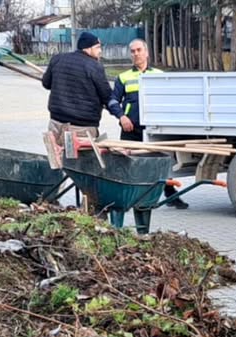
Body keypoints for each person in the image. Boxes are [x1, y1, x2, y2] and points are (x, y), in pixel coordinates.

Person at [109, 39, 188, 209]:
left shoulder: (159, 75)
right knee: (128, 163)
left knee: (162, 163)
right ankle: (128, 198)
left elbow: (169, 100)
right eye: (132, 51)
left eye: (138, 50)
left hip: (154, 129)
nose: (136, 54)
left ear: (146, 52)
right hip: (131, 128)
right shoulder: (123, 77)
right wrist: (122, 117)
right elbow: (113, 101)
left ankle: (170, 195)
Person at [42, 31, 112, 141]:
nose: (100, 51)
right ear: (88, 48)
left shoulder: (57, 59)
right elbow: (107, 96)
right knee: (82, 158)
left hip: (56, 124)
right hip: (82, 129)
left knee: (57, 157)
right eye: (98, 47)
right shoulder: (94, 66)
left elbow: (46, 83)